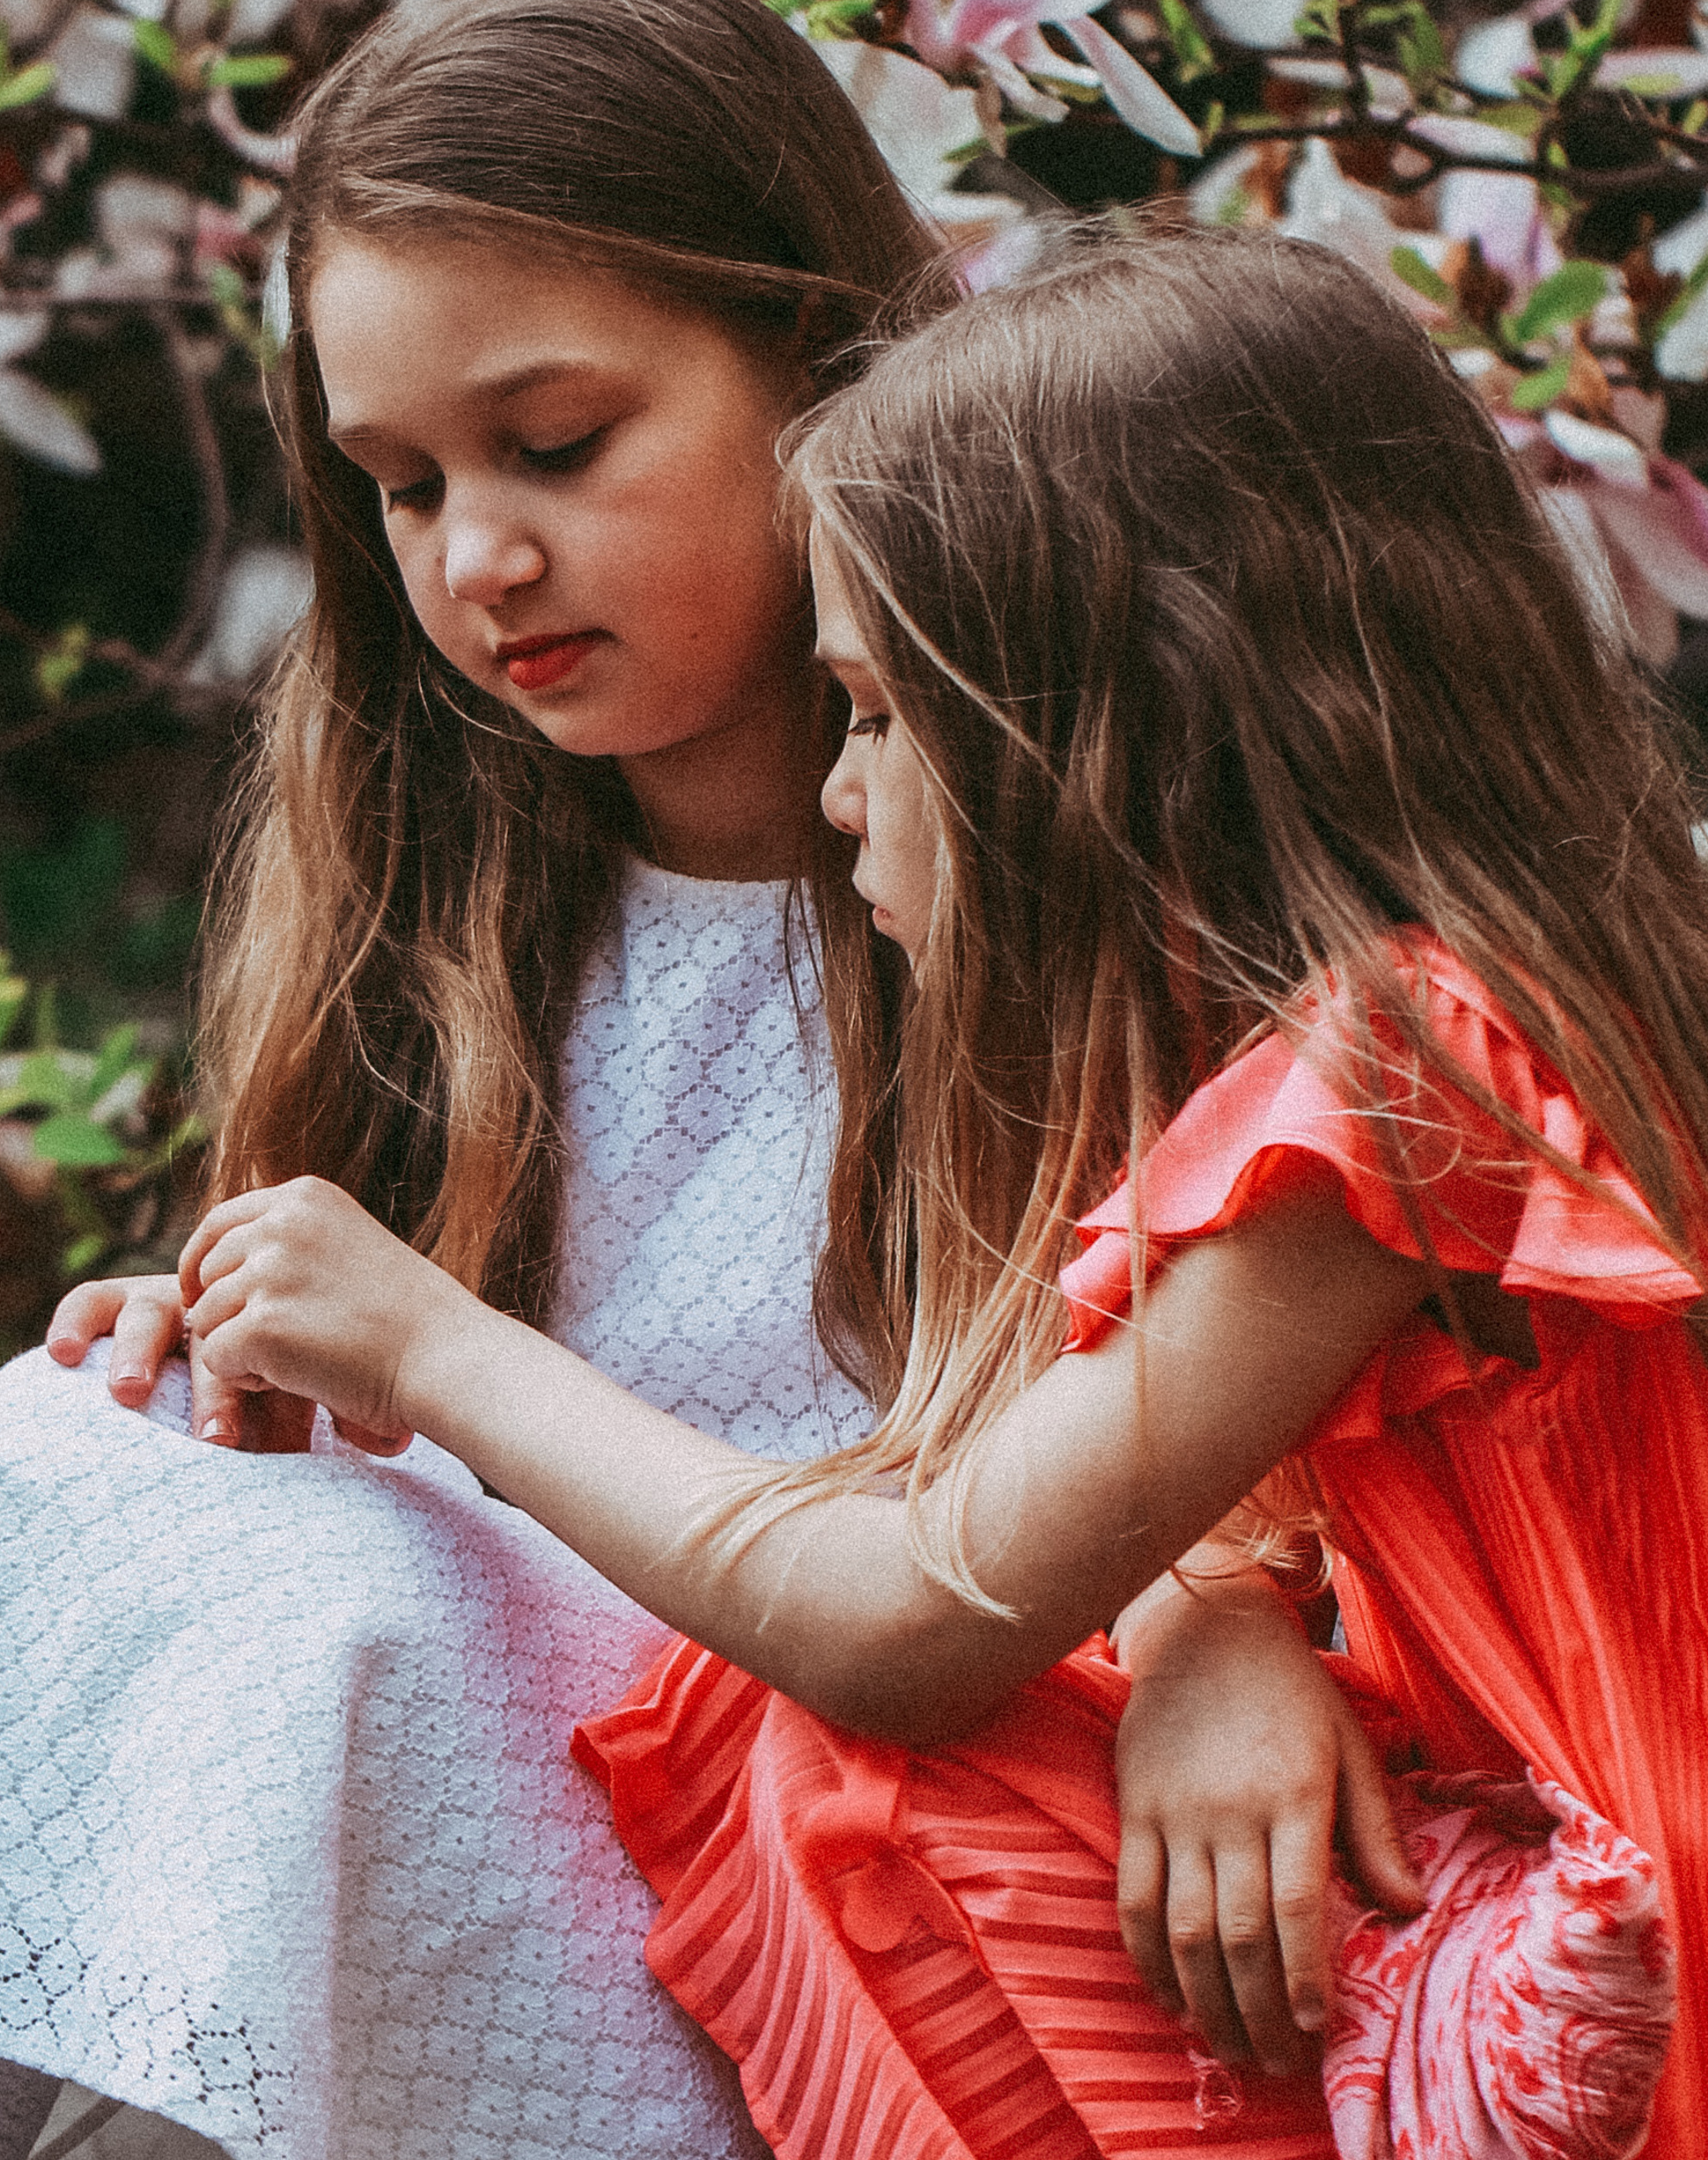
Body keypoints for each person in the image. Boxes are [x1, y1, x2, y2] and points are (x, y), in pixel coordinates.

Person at [170, 227, 1708, 2159]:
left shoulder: (1404, 1067)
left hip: (1584, 1986)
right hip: (1476, 1905)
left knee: (845, 1763)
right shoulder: (1367, 1051)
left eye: (881, 716)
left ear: (1113, 725)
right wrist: (1207, 1621)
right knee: (799, 1763)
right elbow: (1223, 1496)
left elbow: (908, 1611)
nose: (835, 791)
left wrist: (431, 1340)